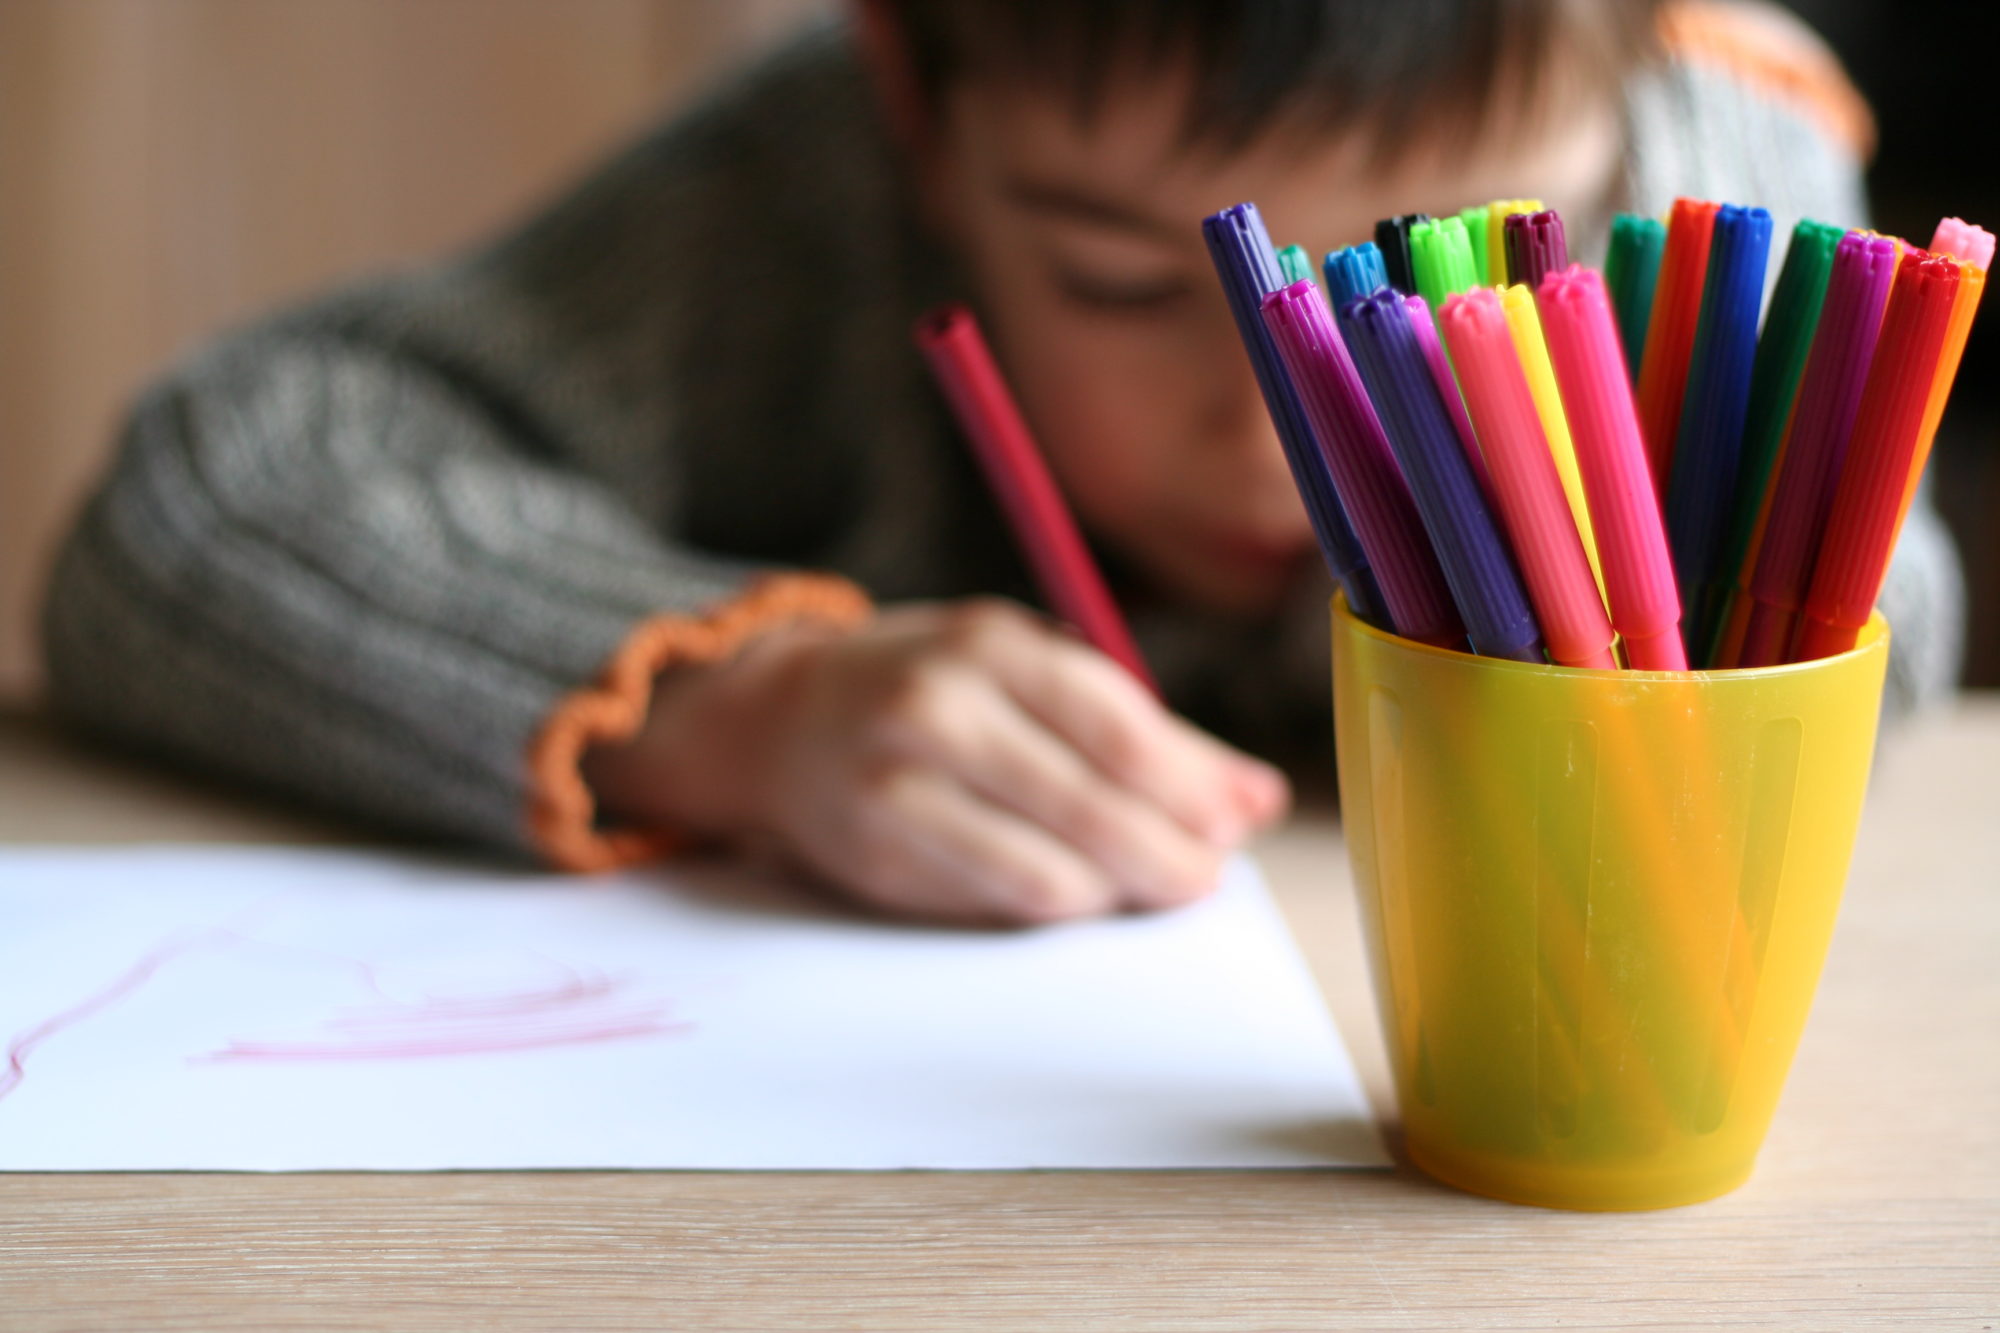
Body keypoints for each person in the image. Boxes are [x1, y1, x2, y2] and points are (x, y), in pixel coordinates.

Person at [42, 0, 1963, 925]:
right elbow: (216, 486)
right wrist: (735, 702)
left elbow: (1872, 647)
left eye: (1425, 283)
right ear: (918, 109)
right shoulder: (816, 179)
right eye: (1122, 279)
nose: (1263, 431)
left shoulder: (1696, 169)